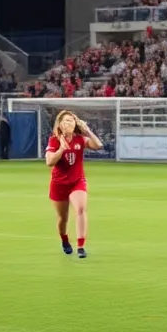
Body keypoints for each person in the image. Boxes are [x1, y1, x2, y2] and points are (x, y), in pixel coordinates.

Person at [45, 110, 103, 258]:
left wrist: (88, 131)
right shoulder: (54, 140)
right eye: (65, 121)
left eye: (71, 120)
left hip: (77, 181)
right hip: (59, 184)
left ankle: (81, 246)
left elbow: (98, 145)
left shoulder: (80, 139)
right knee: (62, 219)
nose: (68, 123)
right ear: (60, 125)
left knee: (81, 209)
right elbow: (49, 162)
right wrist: (61, 150)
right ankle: (64, 240)